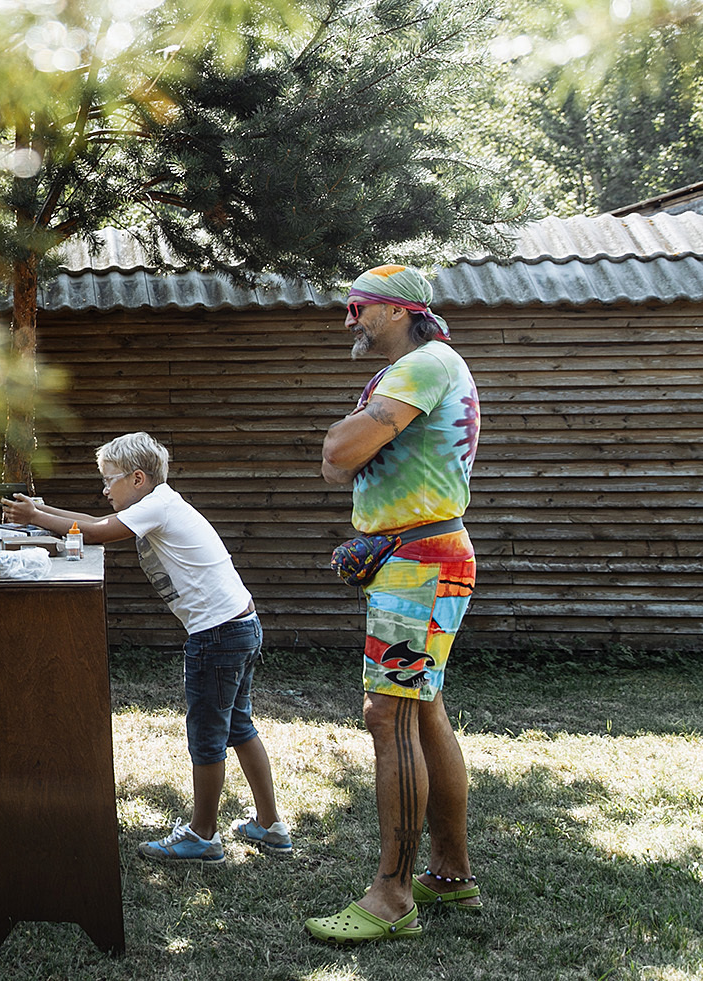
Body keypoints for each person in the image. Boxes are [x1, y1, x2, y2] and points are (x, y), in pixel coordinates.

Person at [3, 431, 291, 864]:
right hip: (242, 626)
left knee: (207, 739)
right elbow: (94, 520)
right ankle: (270, 826)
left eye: (109, 480)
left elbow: (95, 532)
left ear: (137, 478)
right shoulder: (160, 503)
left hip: (217, 637)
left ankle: (203, 836)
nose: (105, 489)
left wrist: (37, 516)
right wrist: (39, 511)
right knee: (239, 727)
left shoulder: (157, 506)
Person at [305, 264, 482, 945]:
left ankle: (391, 895)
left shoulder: (423, 364)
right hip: (417, 555)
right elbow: (336, 465)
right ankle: (450, 873)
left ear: (402, 310)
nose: (349, 318)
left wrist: (346, 441)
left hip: (421, 563)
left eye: (360, 307)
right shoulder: (414, 371)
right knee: (421, 707)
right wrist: (346, 450)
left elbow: (338, 448)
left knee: (388, 715)